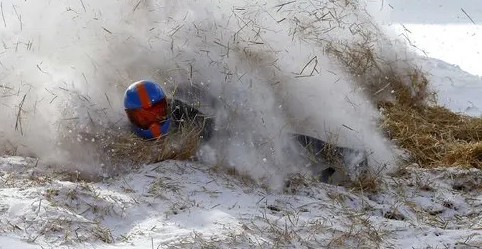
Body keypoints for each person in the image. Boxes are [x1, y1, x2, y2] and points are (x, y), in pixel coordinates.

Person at [123, 79, 368, 184]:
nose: (153, 119)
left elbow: (211, 130)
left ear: (166, 104)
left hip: (224, 138)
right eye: (143, 116)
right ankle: (315, 175)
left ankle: (347, 157)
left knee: (278, 146)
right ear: (130, 116)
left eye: (157, 110)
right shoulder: (127, 135)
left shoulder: (183, 112)